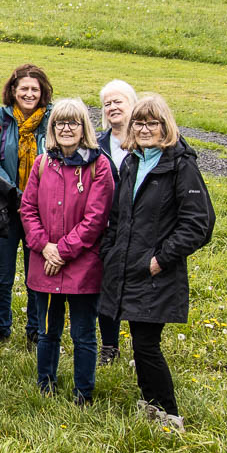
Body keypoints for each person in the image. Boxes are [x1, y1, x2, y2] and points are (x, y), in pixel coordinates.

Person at [98, 94, 215, 432]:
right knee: (140, 341)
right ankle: (150, 405)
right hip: (127, 267)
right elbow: (119, 216)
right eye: (139, 122)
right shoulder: (133, 162)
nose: (145, 128)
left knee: (147, 345)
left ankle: (169, 413)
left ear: (166, 126)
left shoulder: (180, 165)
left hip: (156, 271)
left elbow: (199, 223)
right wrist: (111, 250)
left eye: (153, 123)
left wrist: (161, 259)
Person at [19, 98, 114, 405]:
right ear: (52, 127)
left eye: (73, 123)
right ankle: (45, 383)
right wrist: (44, 247)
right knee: (48, 331)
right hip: (45, 263)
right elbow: (28, 209)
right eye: (60, 123)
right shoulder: (43, 163)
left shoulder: (100, 166)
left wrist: (62, 251)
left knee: (83, 333)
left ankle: (83, 392)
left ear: (84, 127)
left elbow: (96, 218)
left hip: (81, 266)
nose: (66, 129)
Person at [0, 64, 54, 344]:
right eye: (24, 88)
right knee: (0, 272)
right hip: (6, 205)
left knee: (36, 274)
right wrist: (16, 194)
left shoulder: (52, 120)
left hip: (42, 210)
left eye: (34, 89)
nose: (29, 94)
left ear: (43, 93)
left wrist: (33, 199)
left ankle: (36, 332)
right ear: (13, 91)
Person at [95, 79, 137, 366]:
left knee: (136, 287)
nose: (112, 107)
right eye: (107, 103)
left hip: (139, 228)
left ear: (132, 104)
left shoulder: (147, 141)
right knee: (105, 285)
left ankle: (140, 346)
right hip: (107, 227)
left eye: (118, 101)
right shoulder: (97, 145)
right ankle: (109, 345)